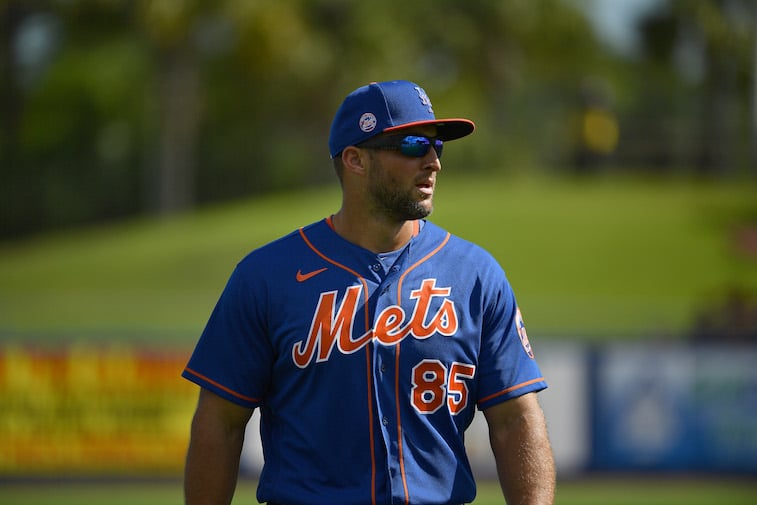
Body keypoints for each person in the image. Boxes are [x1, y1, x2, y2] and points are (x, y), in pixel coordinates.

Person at [182, 80, 555, 505]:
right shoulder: (266, 276)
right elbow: (220, 422)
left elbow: (516, 420)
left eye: (438, 146)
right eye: (414, 144)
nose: (433, 162)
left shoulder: (475, 275)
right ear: (355, 160)